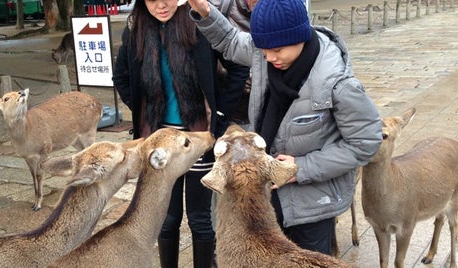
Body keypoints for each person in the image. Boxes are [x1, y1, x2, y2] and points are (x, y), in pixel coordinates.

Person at [187, 0, 383, 256]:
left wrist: (302, 168)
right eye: (264, 50)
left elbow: (366, 144)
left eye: (277, 50)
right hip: (271, 197)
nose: (269, 57)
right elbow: (231, 41)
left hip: (311, 205)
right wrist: (204, 9)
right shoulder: (267, 51)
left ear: (298, 36)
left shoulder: (338, 84)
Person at [112, 0, 235, 266]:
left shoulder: (200, 23)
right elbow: (121, 76)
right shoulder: (135, 30)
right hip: (160, 141)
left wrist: (221, 114)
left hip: (198, 137)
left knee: (200, 217)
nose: (160, 5)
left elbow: (238, 66)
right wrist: (145, 110)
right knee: (166, 219)